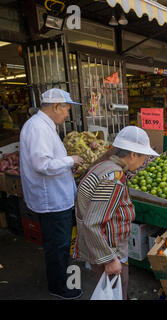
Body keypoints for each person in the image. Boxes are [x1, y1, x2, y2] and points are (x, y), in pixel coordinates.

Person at [73, 126, 159, 300]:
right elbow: (92, 223)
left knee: (117, 291)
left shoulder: (105, 166)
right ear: (133, 155)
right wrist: (110, 259)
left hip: (102, 245)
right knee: (114, 290)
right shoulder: (113, 179)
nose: (144, 162)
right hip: (107, 247)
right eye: (143, 156)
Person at [19, 88, 84, 299]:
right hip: (52, 200)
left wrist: (66, 166)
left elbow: (47, 160)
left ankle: (58, 280)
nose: (67, 115)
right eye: (66, 109)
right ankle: (58, 287)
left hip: (55, 196)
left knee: (57, 243)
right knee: (58, 245)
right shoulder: (38, 128)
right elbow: (42, 164)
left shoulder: (43, 126)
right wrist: (70, 160)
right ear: (56, 106)